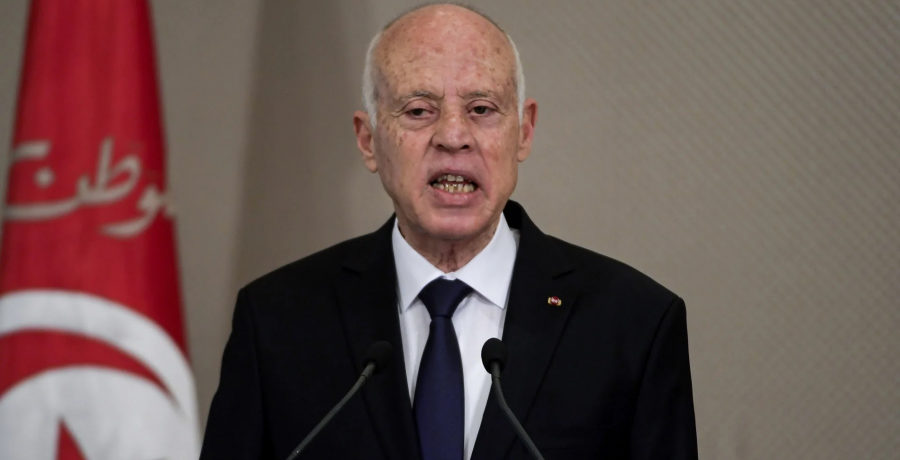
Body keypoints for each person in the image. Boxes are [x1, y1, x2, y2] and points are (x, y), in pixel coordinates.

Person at [200, 4, 697, 459]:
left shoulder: (633, 324)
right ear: (368, 140)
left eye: (482, 109)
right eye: (419, 110)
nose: (454, 136)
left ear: (523, 132)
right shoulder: (277, 322)